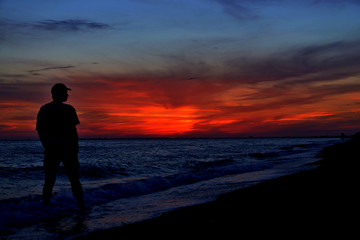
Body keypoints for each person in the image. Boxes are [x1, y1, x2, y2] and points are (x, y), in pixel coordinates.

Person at [36, 83, 84, 210]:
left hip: (51, 150)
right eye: (65, 93)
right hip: (68, 150)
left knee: (49, 181)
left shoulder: (44, 109)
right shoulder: (68, 109)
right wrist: (75, 149)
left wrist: (47, 146)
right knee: (74, 179)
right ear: (59, 94)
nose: (67, 95)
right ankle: (81, 206)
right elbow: (73, 132)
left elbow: (40, 131)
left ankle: (45, 208)